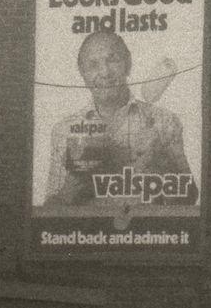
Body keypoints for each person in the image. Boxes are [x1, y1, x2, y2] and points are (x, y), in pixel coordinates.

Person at [42, 27, 192, 207]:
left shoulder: (164, 121)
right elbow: (48, 213)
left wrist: (164, 161)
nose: (104, 72)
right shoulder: (64, 130)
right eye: (93, 65)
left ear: (127, 65)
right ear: (83, 74)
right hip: (87, 234)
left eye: (112, 60)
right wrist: (70, 189)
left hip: (148, 233)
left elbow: (190, 199)